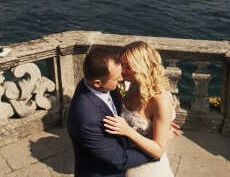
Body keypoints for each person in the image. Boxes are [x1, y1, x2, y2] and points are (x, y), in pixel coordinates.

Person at [67, 47, 155, 177]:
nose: (121, 78)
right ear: (98, 83)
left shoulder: (90, 81)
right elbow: (120, 160)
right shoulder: (87, 118)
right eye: (116, 79)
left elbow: (120, 99)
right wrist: (155, 151)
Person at [102, 41, 176, 177]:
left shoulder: (161, 100)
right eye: (122, 65)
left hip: (148, 169)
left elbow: (158, 150)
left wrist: (128, 131)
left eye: (128, 67)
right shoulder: (130, 85)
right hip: (126, 161)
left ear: (143, 66)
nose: (122, 71)